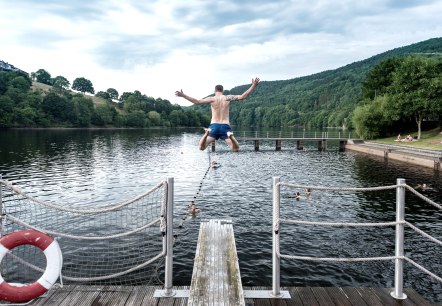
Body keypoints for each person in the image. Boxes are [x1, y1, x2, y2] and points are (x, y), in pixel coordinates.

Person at [175, 78, 260, 151]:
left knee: (201, 147)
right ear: (222, 91)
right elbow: (242, 96)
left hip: (214, 126)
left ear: (214, 91)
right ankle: (231, 137)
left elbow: (197, 101)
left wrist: (183, 95)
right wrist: (253, 85)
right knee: (235, 149)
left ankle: (205, 134)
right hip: (225, 126)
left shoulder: (212, 99)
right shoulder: (227, 98)